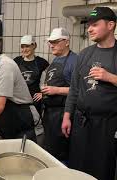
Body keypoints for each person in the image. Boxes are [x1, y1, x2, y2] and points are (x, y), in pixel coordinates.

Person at [62, 7, 117, 180]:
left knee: (101, 169)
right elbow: (74, 89)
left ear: (110, 25)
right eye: (89, 25)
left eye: (95, 25)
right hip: (81, 123)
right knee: (78, 168)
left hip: (107, 125)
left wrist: (110, 77)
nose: (89, 29)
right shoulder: (85, 54)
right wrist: (66, 115)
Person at [41, 27, 78, 162]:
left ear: (67, 42)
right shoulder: (56, 59)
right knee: (49, 152)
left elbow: (79, 89)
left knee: (61, 154)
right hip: (50, 114)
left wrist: (56, 90)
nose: (51, 45)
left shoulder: (74, 61)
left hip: (63, 114)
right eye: (50, 42)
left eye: (55, 42)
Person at [14, 35, 49, 115]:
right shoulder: (17, 61)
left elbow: (52, 78)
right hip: (19, 100)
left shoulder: (42, 62)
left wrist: (43, 94)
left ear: (34, 46)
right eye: (22, 47)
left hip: (35, 101)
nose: (24, 49)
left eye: (27, 46)